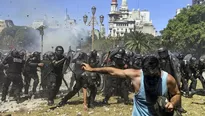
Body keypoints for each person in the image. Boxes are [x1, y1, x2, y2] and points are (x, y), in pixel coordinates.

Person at [82, 55, 181, 116]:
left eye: (155, 76)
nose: (151, 79)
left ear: (159, 70)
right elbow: (112, 71)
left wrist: (172, 103)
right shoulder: (136, 76)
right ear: (143, 71)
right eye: (148, 77)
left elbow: (177, 94)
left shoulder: (168, 79)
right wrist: (92, 69)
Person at [158, 47, 186, 113]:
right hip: (164, 79)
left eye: (163, 53)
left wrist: (178, 80)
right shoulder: (158, 60)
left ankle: (179, 107)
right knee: (165, 94)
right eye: (160, 53)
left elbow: (177, 70)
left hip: (173, 78)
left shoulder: (172, 59)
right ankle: (167, 106)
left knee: (177, 93)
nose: (162, 55)